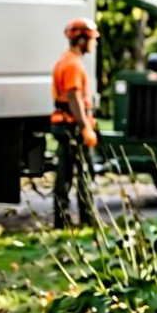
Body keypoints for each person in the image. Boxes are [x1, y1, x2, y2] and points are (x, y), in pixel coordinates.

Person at [51, 18, 100, 229]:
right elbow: (74, 98)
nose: (94, 44)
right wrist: (85, 127)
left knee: (66, 173)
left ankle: (63, 220)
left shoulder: (66, 60)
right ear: (81, 40)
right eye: (92, 39)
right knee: (83, 173)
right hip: (72, 126)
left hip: (65, 125)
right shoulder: (72, 64)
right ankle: (87, 218)